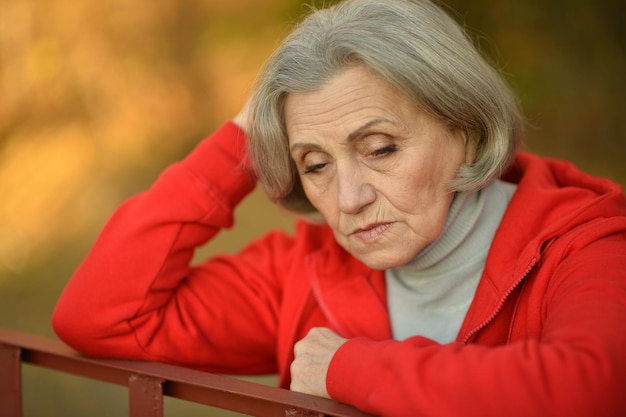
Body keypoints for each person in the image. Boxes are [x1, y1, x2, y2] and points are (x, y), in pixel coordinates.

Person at [52, 0, 626, 416]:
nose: (349, 199)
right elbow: (100, 316)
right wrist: (240, 136)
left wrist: (349, 368)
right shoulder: (300, 275)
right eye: (316, 164)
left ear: (467, 133)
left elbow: (591, 391)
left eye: (380, 149)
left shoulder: (585, 244)